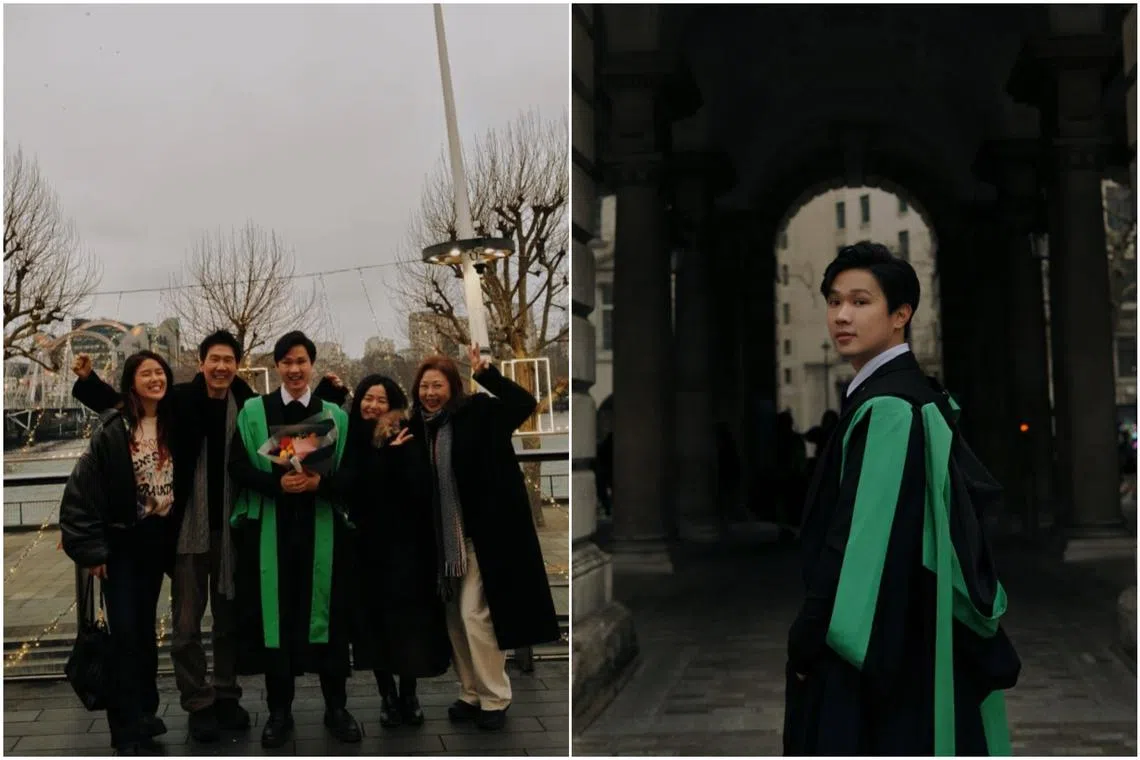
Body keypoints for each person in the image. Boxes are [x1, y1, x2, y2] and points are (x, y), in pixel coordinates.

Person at [784, 242, 1021, 756]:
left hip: (883, 661)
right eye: (833, 300)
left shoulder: (889, 408)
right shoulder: (913, 395)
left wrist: (804, 642)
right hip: (915, 644)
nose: (842, 315)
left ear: (901, 314)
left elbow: (853, 547)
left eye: (861, 301)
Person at [71, 331, 258, 742]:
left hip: (232, 530)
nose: (222, 366)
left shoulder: (247, 403)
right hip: (186, 530)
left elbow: (281, 430)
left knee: (228, 622)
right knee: (186, 625)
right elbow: (131, 404)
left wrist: (334, 393)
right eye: (215, 359)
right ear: (202, 361)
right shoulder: (182, 400)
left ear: (238, 364)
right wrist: (88, 383)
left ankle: (226, 692)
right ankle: (197, 701)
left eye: (229, 359)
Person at [402, 345, 560, 731]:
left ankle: (495, 696)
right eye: (425, 386)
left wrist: (486, 373)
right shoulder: (416, 428)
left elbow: (524, 403)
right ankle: (470, 692)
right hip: (441, 542)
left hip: (482, 536)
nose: (430, 393)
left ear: (453, 387)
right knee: (454, 619)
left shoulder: (479, 414)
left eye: (438, 385)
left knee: (475, 615)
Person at [227, 331, 360, 748]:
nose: (295, 369)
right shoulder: (253, 412)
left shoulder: (334, 415)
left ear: (312, 364)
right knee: (277, 622)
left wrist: (320, 483)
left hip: (323, 533)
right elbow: (237, 467)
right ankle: (279, 712)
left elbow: (352, 474)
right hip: (271, 532)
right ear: (276, 366)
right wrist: (277, 484)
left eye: (301, 361)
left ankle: (336, 707)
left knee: (330, 620)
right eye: (286, 362)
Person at [61, 351, 180, 756]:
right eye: (145, 373)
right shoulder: (114, 428)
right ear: (132, 382)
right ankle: (125, 726)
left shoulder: (172, 421)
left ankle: (145, 713)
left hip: (159, 541)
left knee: (145, 634)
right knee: (126, 635)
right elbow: (81, 491)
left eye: (159, 372)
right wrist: (91, 550)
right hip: (123, 545)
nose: (155, 378)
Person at [337, 374, 451, 728]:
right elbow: (351, 488)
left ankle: (409, 692)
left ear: (393, 403)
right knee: (374, 625)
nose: (372, 405)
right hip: (365, 546)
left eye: (380, 400)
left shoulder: (406, 432)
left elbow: (419, 489)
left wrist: (397, 457)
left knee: (407, 622)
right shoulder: (351, 438)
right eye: (367, 398)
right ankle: (386, 695)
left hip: (406, 547)